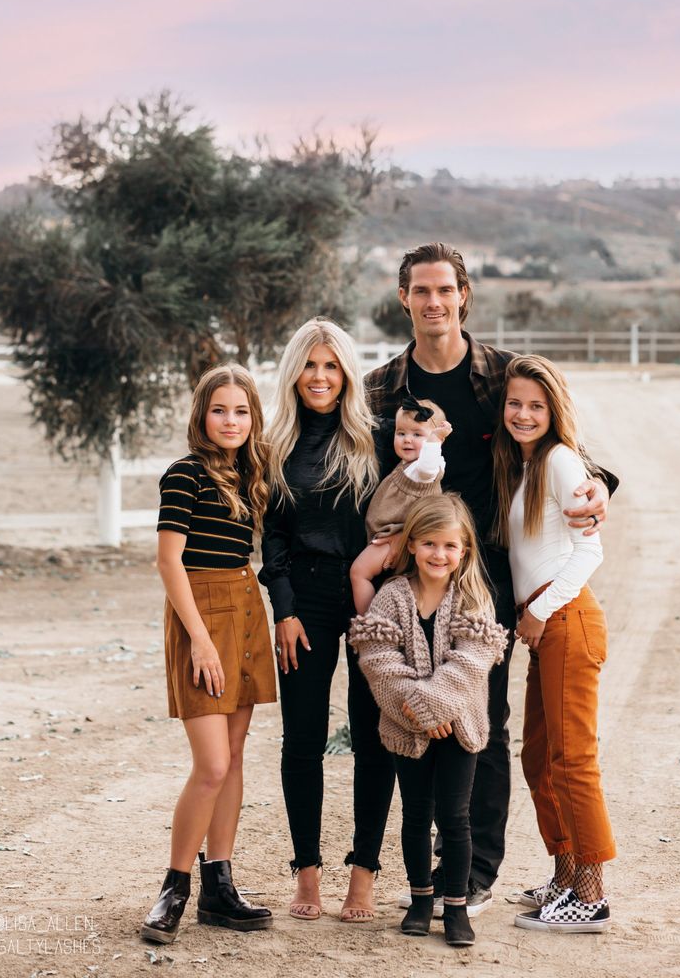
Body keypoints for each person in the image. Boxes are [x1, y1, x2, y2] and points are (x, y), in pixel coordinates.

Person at [365, 242, 614, 917]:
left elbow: (560, 444)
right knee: (413, 713)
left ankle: (474, 871)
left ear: (464, 294)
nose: (434, 302)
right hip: (413, 578)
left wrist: (599, 487)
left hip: (489, 579)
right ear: (405, 299)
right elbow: (361, 477)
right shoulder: (383, 387)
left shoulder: (500, 375)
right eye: (421, 291)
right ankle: (424, 868)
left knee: (484, 722)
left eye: (445, 289)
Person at [259, 317, 394, 923]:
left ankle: (363, 875)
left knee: (373, 736)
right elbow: (274, 536)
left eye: (332, 365)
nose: (320, 377)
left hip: (370, 596)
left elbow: (413, 505)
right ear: (294, 373)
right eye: (310, 365)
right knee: (303, 739)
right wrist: (282, 609)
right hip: (305, 600)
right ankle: (306, 873)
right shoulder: (277, 445)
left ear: (347, 372)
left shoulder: (378, 437)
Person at [141, 365, 277, 945]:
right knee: (212, 765)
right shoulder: (184, 475)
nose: (231, 421)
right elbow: (169, 562)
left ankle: (220, 886)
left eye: (242, 411)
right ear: (202, 416)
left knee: (237, 755)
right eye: (220, 410)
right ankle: (174, 887)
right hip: (202, 615)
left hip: (246, 607)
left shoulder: (251, 475)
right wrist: (197, 637)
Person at [349, 495, 508, 947]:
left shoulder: (473, 597)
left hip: (460, 727)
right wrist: (420, 714)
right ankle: (421, 901)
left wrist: (435, 707)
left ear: (465, 552)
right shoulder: (391, 597)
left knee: (455, 818)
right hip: (405, 727)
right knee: (416, 816)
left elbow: (471, 662)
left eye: (449, 546)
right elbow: (378, 660)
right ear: (412, 546)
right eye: (430, 544)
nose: (439, 555)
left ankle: (455, 906)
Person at [492, 355, 615, 932]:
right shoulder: (526, 465)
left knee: (572, 760)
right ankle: (565, 876)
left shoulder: (562, 460)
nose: (523, 413)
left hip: (565, 618)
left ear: (553, 410)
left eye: (536, 406)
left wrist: (537, 612)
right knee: (539, 756)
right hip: (547, 623)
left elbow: (589, 549)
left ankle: (591, 894)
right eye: (515, 403)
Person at [350, 395, 450, 615]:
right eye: (401, 433)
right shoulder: (409, 465)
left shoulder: (424, 470)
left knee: (359, 572)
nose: (407, 440)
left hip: (396, 535)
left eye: (417, 434)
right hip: (390, 533)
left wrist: (434, 439)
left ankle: (369, 621)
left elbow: (428, 465)